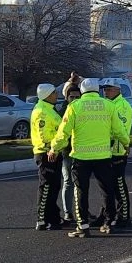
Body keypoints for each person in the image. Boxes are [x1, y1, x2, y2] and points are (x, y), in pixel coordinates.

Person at [49, 78, 129, 238]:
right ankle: (108, 223)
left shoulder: (74, 106)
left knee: (80, 191)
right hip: (103, 156)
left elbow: (63, 132)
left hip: (81, 158)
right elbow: (119, 130)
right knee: (107, 190)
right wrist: (126, 143)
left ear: (82, 91)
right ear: (97, 90)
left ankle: (83, 226)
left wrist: (54, 148)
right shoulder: (109, 106)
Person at [100, 77, 132, 228]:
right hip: (105, 151)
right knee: (107, 187)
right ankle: (105, 214)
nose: (106, 92)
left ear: (118, 90)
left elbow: (120, 130)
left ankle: (124, 216)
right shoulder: (107, 104)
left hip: (118, 151)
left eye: (109, 89)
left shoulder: (123, 106)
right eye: (104, 90)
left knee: (119, 185)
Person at [30, 83, 64, 230]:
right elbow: (44, 136)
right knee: (46, 187)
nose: (56, 95)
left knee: (54, 187)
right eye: (54, 93)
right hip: (46, 153)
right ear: (47, 95)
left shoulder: (49, 109)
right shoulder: (42, 112)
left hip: (54, 152)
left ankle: (53, 217)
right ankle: (42, 219)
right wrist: (52, 147)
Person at [56, 79, 83, 227]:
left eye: (77, 97)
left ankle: (82, 212)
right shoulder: (62, 111)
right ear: (66, 97)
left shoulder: (82, 109)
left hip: (81, 151)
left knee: (80, 183)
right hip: (67, 151)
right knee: (68, 182)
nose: (74, 99)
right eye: (71, 97)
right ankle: (68, 212)